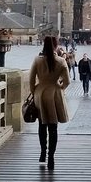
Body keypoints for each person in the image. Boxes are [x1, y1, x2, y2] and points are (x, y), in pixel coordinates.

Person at [29, 36, 70, 170]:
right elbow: (67, 81)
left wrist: (35, 91)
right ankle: (51, 156)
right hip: (54, 94)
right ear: (56, 46)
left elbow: (31, 80)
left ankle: (42, 153)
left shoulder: (37, 60)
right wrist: (60, 88)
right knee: (53, 127)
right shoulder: (61, 61)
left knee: (42, 125)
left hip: (40, 93)